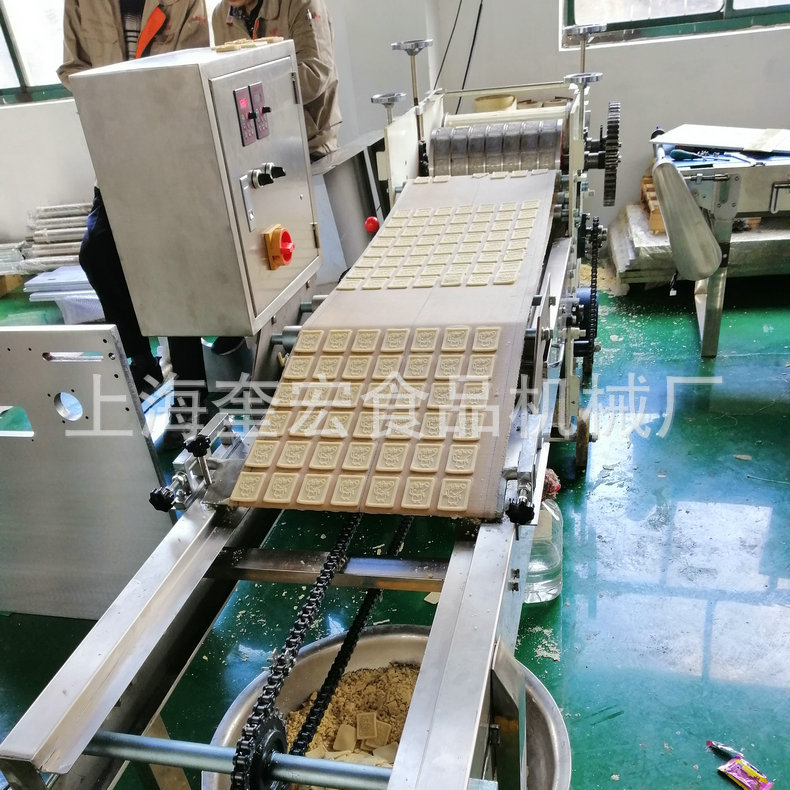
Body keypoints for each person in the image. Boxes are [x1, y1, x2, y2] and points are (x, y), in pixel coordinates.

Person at [58, 1, 211, 446]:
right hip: (113, 147)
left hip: (170, 146)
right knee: (97, 251)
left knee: (171, 266)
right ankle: (143, 363)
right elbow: (71, 68)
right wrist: (107, 99)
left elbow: (193, 63)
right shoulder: (81, 3)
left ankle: (193, 399)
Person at [212, 0, 342, 160]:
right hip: (258, 154)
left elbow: (315, 75)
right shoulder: (220, 15)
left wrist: (254, 93)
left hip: (311, 146)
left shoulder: (300, 3)